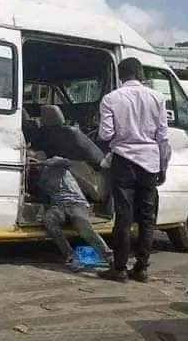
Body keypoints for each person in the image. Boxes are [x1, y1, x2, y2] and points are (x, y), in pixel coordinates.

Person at [98, 58, 171, 283]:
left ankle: (119, 269)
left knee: (124, 215)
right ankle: (141, 268)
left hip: (124, 160)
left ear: (121, 76)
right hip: (150, 161)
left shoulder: (111, 99)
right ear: (140, 74)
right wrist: (163, 167)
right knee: (147, 217)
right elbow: (163, 137)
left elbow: (105, 135)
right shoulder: (158, 98)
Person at [33, 154, 113, 268]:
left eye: (34, 161)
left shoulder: (57, 164)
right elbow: (43, 196)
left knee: (84, 229)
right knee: (49, 220)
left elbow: (66, 162)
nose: (33, 165)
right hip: (58, 206)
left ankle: (108, 256)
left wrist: (42, 162)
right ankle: (70, 256)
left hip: (77, 204)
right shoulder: (41, 179)